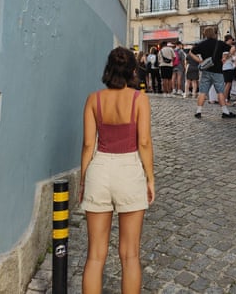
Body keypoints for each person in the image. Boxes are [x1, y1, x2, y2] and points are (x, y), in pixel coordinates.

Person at [79, 47, 155, 294]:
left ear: (109, 70)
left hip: (99, 169)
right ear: (133, 71)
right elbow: (144, 142)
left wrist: (83, 180)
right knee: (130, 254)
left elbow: (89, 144)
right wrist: (150, 178)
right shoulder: (139, 99)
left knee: (95, 256)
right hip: (129, 169)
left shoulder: (94, 99)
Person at [189, 27, 236, 119]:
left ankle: (198, 111)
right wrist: (226, 57)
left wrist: (200, 61)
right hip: (218, 71)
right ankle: (225, 112)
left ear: (205, 34)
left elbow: (191, 52)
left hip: (206, 70)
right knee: (220, 92)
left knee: (202, 92)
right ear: (214, 34)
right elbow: (233, 47)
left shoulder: (201, 44)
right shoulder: (219, 43)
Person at [222, 35, 236, 104]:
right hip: (227, 67)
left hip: (227, 67)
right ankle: (225, 100)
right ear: (229, 39)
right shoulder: (226, 47)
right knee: (228, 84)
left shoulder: (226, 47)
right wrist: (231, 53)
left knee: (227, 84)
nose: (232, 41)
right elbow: (224, 58)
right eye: (232, 39)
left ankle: (224, 99)